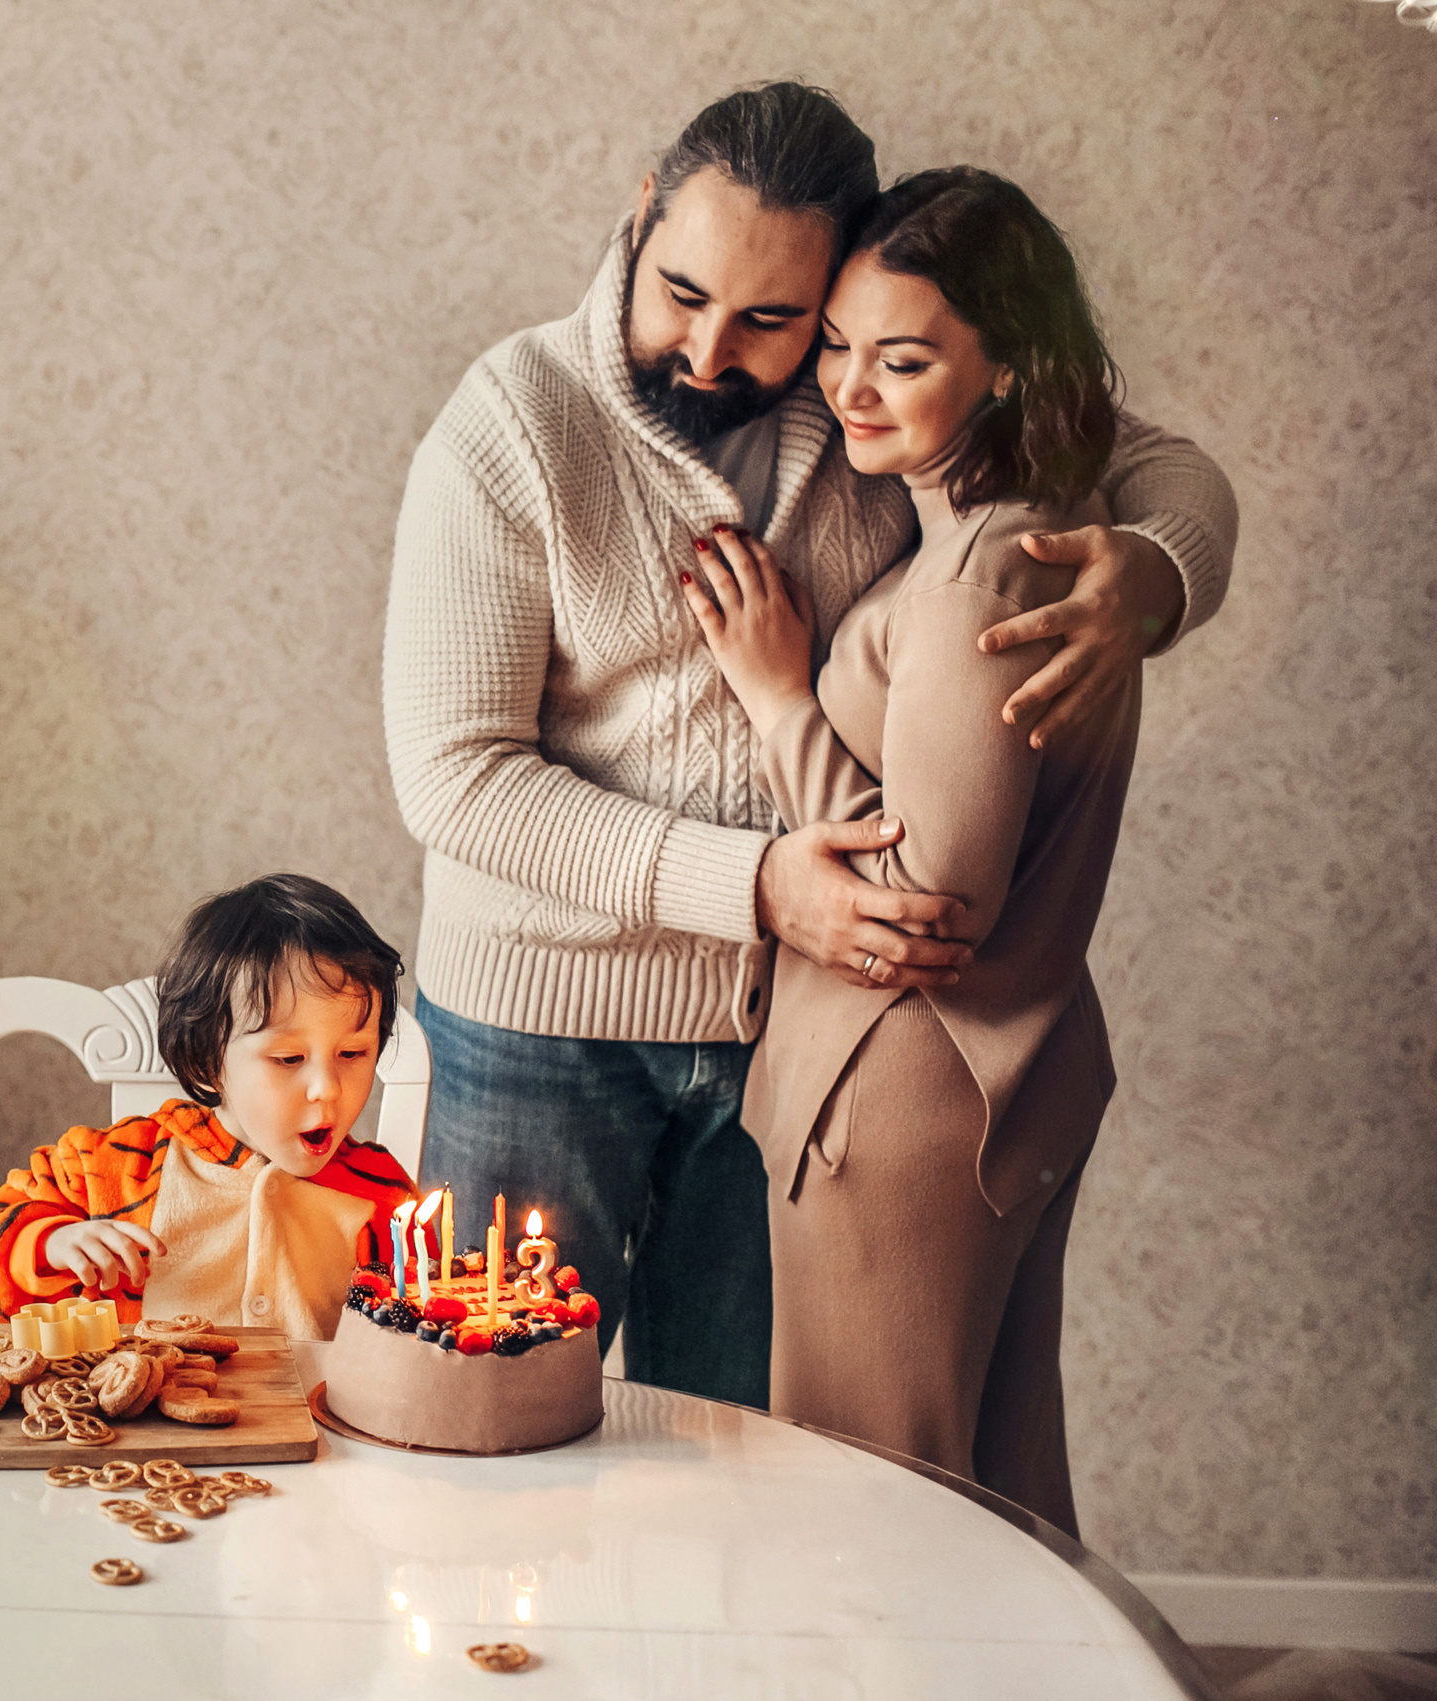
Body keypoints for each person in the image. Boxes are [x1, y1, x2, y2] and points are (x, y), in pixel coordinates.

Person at [383, 82, 1237, 1407]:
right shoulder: (509, 425)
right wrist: (761, 885)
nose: (712, 350)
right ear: (642, 216)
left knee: (742, 1474)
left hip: (780, 1038)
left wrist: (1156, 568)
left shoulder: (871, 397)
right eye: (681, 291)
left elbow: (1160, 463)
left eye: (774, 319)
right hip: (535, 1025)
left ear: (834, 286)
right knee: (486, 1432)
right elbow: (456, 773)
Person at [684, 167, 1147, 1534]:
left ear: (1006, 368)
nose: (851, 388)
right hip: (989, 1080)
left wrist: (777, 700)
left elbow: (929, 903)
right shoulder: (1029, 540)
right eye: (835, 345)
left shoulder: (972, 580)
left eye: (903, 357)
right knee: (988, 1500)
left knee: (872, 1512)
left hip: (905, 1096)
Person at [0, 874, 417, 1339]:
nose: (327, 1089)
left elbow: (418, 1342)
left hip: (315, 1420)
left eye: (352, 1054)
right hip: (144, 1419)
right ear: (209, 1060)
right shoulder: (110, 1169)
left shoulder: (383, 1199)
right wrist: (51, 1244)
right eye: (289, 1058)